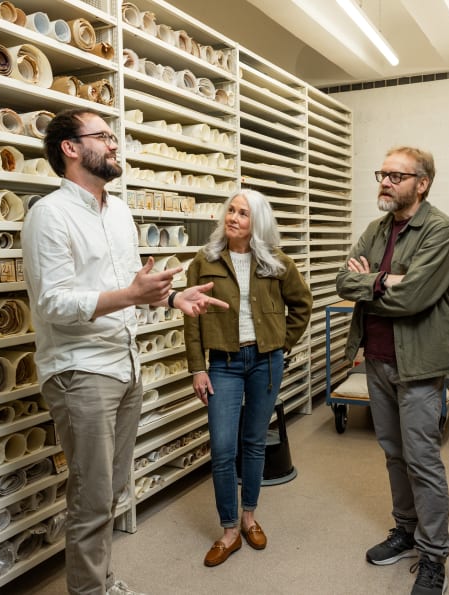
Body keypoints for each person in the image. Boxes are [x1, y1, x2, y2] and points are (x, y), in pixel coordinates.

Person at [22, 108, 229, 595]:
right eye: (103, 137)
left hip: (125, 365)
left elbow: (131, 284)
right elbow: (52, 302)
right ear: (70, 148)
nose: (115, 145)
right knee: (91, 498)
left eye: (115, 137)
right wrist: (131, 297)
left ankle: (102, 580)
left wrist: (175, 297)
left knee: (110, 491)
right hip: (81, 370)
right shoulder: (48, 215)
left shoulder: (119, 210)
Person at [335, 146, 449, 595]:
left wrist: (373, 280)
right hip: (378, 358)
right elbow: (342, 280)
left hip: (419, 365)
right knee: (393, 453)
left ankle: (433, 555)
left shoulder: (440, 230)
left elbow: (414, 298)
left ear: (421, 183)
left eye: (395, 175)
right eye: (382, 174)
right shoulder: (376, 228)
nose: (384, 182)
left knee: (422, 459)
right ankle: (405, 530)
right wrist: (385, 278)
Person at [184, 189, 312, 567]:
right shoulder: (203, 261)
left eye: (243, 213)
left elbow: (302, 305)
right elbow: (191, 318)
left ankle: (249, 517)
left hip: (265, 363)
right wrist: (197, 366)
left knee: (254, 442)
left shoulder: (276, 263)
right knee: (224, 448)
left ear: (257, 222)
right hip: (223, 364)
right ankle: (229, 530)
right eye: (231, 210)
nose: (234, 217)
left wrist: (280, 344)